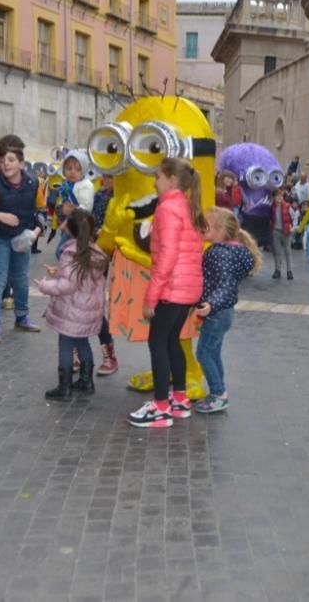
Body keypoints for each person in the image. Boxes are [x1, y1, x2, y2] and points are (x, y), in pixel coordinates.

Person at [128, 160, 205, 428]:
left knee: (158, 342)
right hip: (187, 289)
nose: (154, 182)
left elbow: (167, 256)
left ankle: (161, 407)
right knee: (172, 340)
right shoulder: (188, 206)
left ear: (172, 179)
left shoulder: (168, 208)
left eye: (158, 177)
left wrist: (151, 297)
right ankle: (179, 399)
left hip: (172, 288)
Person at [35, 209, 108, 401]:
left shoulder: (71, 252)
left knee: (65, 344)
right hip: (87, 309)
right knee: (82, 341)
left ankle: (64, 387)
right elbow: (81, 276)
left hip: (72, 309)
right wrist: (60, 271)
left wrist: (44, 286)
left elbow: (68, 285)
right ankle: (86, 380)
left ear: (71, 229)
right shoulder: (95, 252)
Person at [194, 207, 262, 414]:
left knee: (204, 352)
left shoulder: (218, 253)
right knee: (213, 352)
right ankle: (218, 391)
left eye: (205, 225)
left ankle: (219, 393)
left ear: (219, 230)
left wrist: (211, 304)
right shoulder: (234, 251)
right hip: (225, 312)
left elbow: (225, 284)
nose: (201, 228)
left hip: (217, 312)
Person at [0, 145, 45, 344]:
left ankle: (22, 317)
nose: (5, 164)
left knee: (21, 278)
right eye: (2, 161)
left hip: (22, 236)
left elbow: (41, 211)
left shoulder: (34, 182)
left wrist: (35, 232)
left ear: (21, 164)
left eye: (10, 160)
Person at [91, 174, 118, 375]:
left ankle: (108, 353)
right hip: (86, 247)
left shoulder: (122, 197)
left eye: (111, 177)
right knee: (75, 300)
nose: (107, 180)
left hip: (105, 254)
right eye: (106, 176)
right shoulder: (99, 194)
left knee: (94, 303)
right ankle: (75, 352)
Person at [49, 150, 94, 259]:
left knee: (62, 252)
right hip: (69, 224)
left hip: (79, 227)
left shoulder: (85, 185)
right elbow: (62, 203)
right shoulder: (68, 184)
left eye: (77, 169)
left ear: (83, 171)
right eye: (69, 168)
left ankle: (69, 272)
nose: (72, 172)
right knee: (67, 252)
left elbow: (86, 208)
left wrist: (67, 221)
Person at [270, 188, 294, 280]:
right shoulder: (272, 207)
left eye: (281, 196)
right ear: (274, 197)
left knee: (288, 251)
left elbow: (294, 217)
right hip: (276, 231)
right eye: (277, 196)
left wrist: (293, 227)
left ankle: (289, 271)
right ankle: (277, 270)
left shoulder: (287, 206)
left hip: (286, 231)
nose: (279, 198)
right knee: (277, 252)